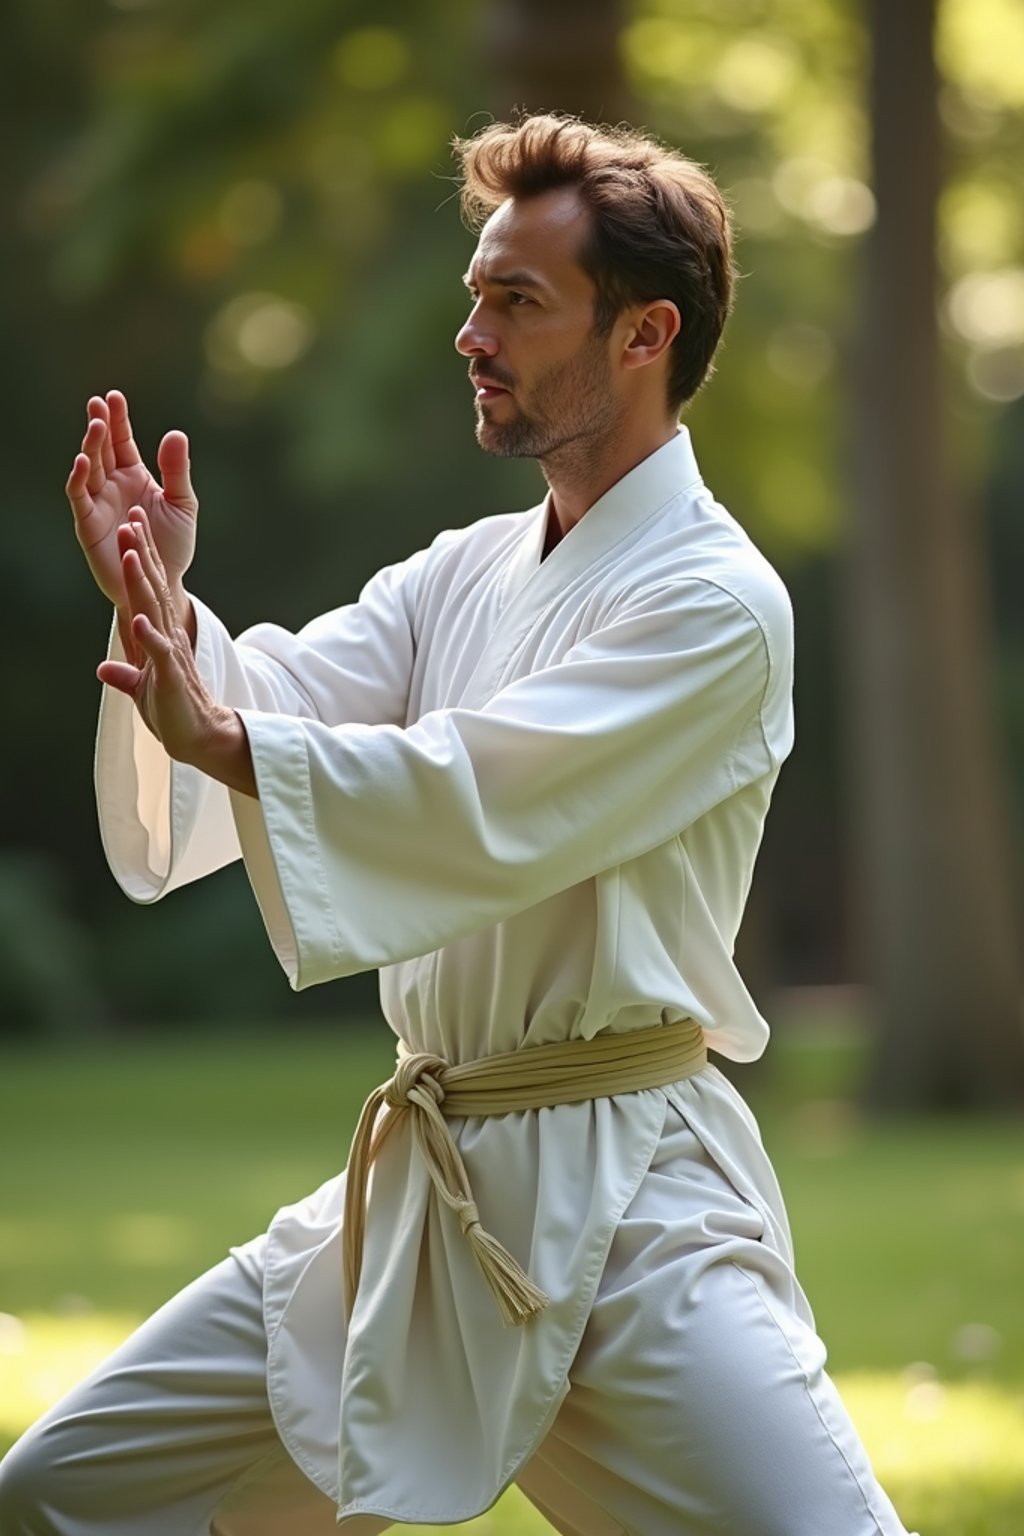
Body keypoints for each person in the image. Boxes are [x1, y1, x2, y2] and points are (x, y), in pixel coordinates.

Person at [0, 114, 913, 1535]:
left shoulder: (717, 606)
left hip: (628, 1213)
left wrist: (231, 738)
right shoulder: (469, 568)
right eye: (475, 293)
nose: (470, 333)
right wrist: (162, 611)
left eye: (516, 301)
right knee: (66, 1492)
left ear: (642, 335)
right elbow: (297, 694)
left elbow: (479, 786)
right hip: (421, 1195)